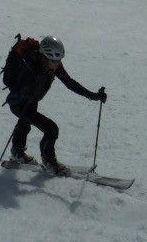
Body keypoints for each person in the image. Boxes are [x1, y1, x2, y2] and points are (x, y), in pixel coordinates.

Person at [6, 35, 106, 175]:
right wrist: (24, 93)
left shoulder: (52, 65)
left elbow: (70, 83)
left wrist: (93, 96)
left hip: (31, 100)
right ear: (46, 58)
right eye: (56, 60)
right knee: (51, 129)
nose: (58, 64)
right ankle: (50, 163)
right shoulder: (30, 68)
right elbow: (10, 99)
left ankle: (17, 152)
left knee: (24, 124)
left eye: (59, 60)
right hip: (19, 105)